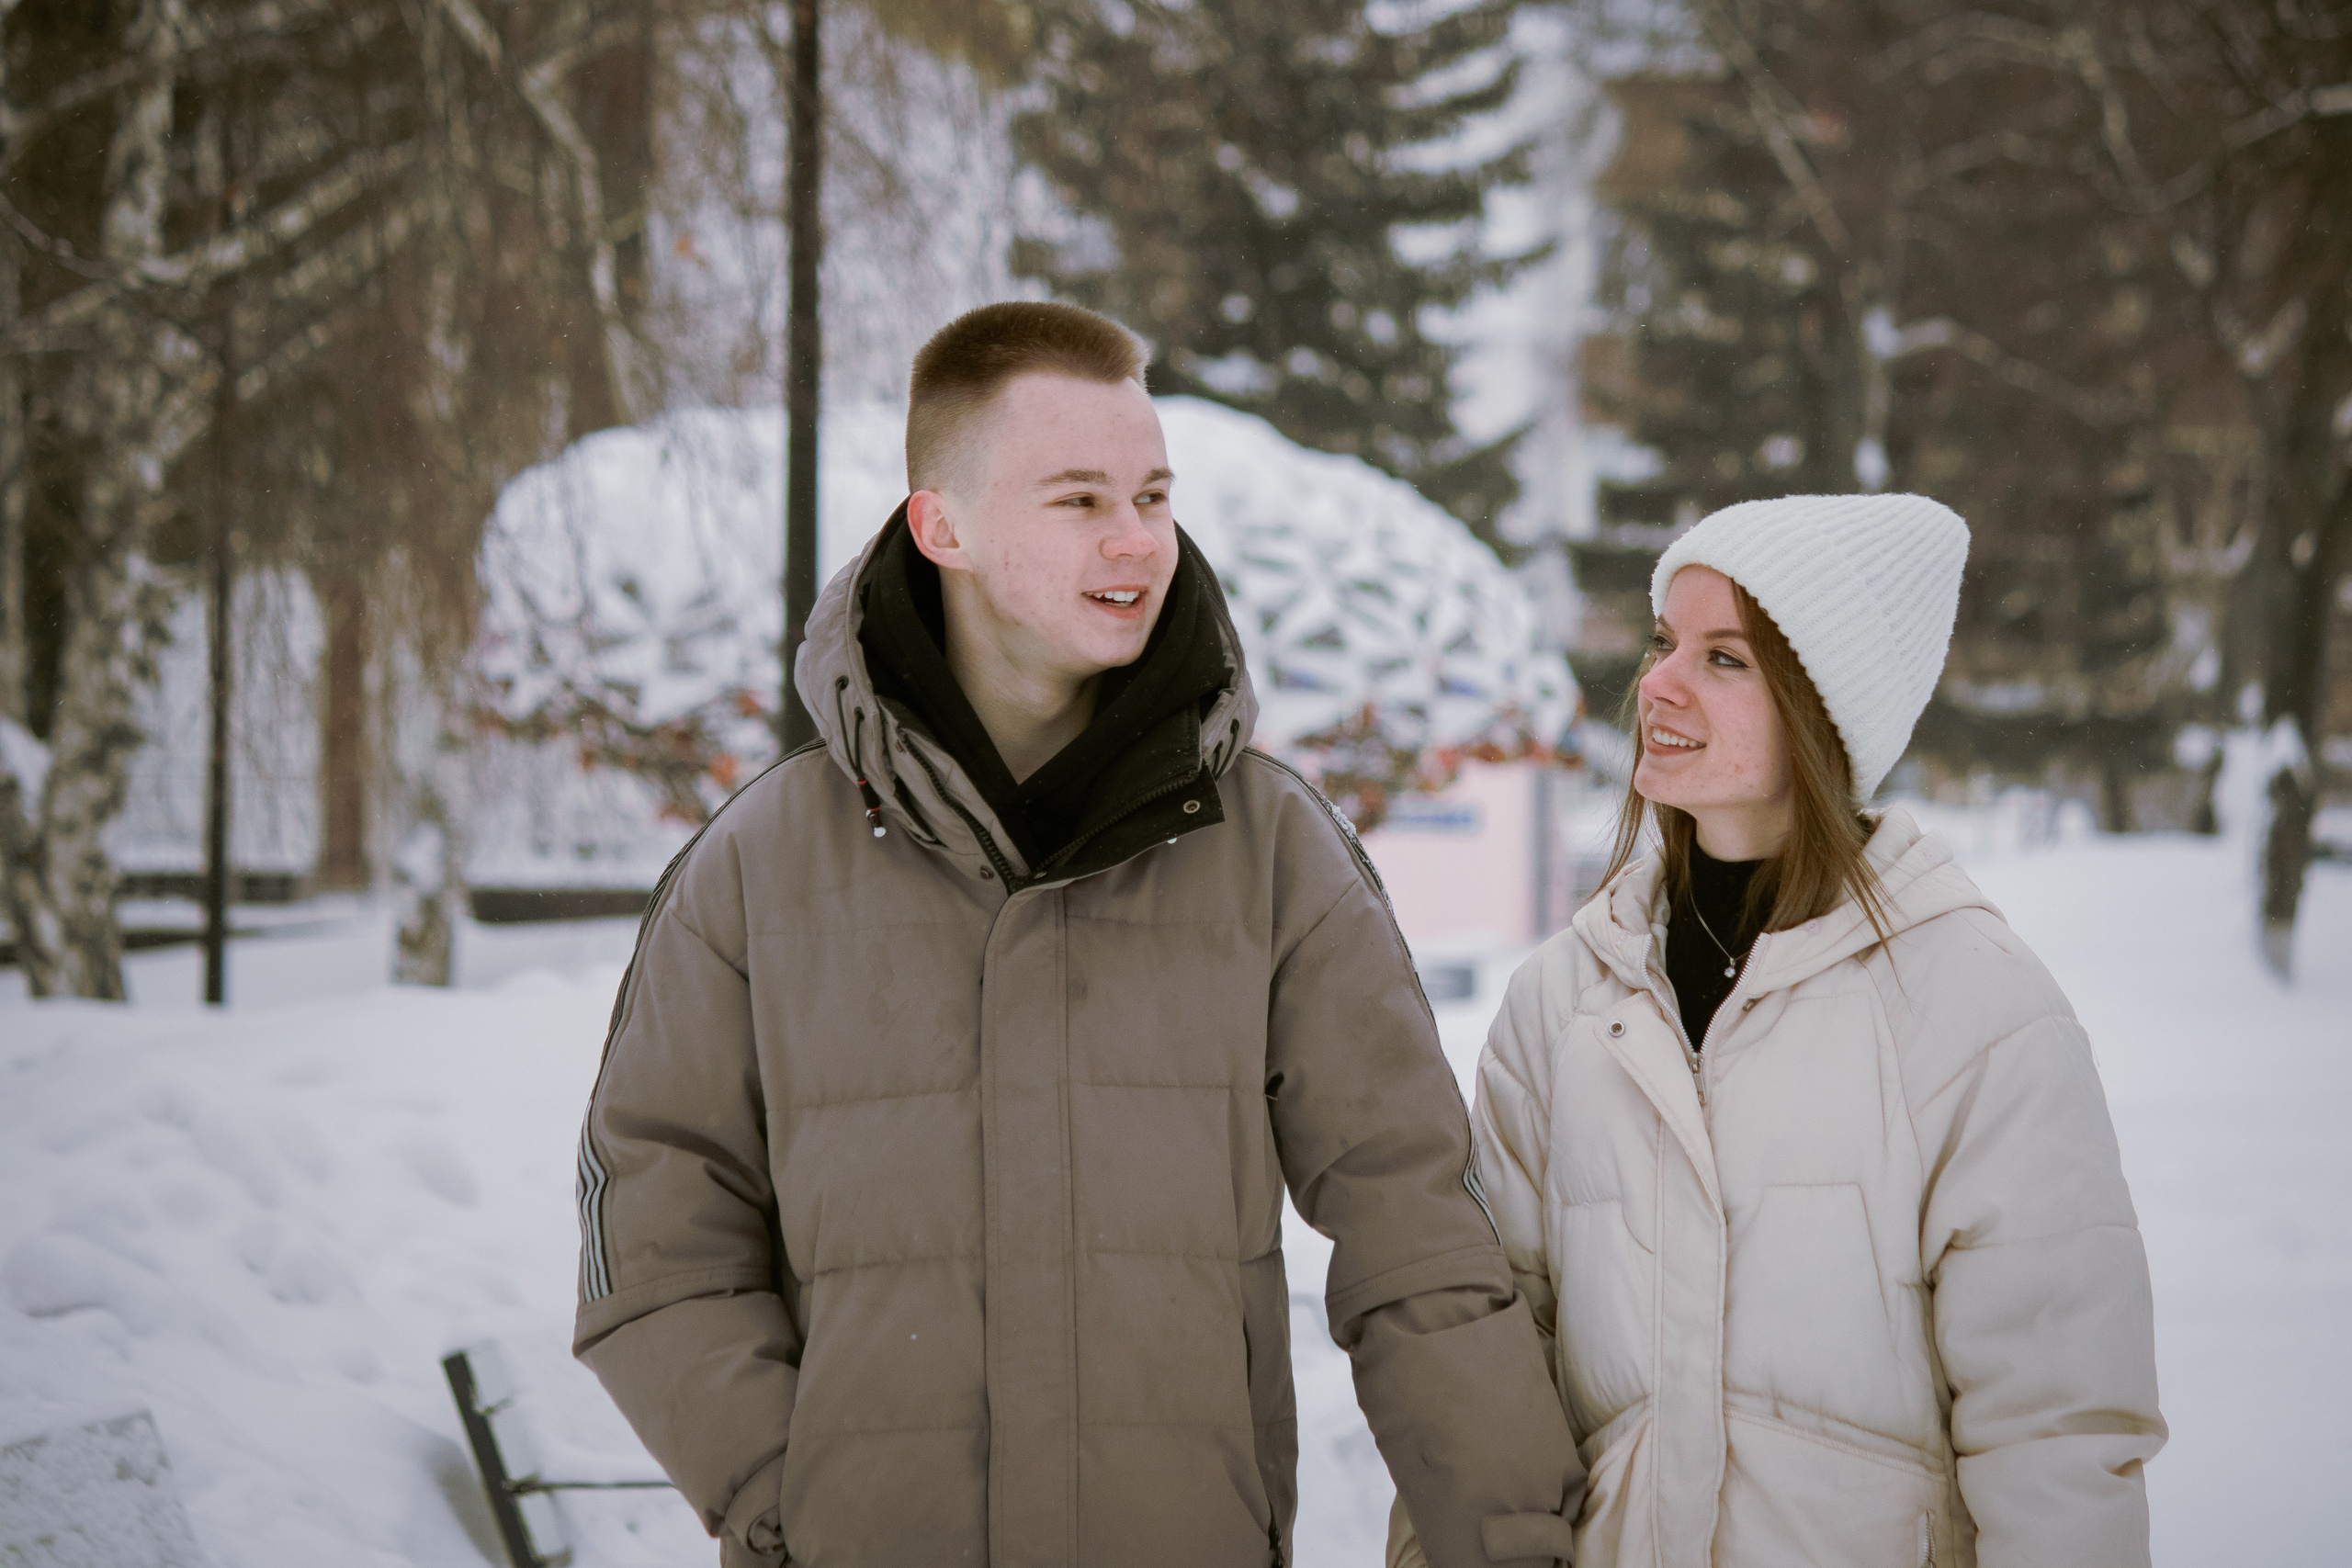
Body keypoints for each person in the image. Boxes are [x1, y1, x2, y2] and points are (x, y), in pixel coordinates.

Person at [571, 301, 1584, 1568]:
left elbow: (1418, 1227)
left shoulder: (1272, 853)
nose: (1138, 542)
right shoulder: (759, 866)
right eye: (1080, 499)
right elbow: (652, 1225)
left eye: (1153, 496)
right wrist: (791, 1498)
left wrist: (1511, 1540)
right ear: (944, 525)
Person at [1389, 494, 2166, 1567]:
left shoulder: (1974, 1008)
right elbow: (1485, 1376)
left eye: (1723, 659)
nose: (1655, 682)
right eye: (1664, 642)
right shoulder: (1560, 1005)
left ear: (1819, 707)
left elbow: (2055, 1428)